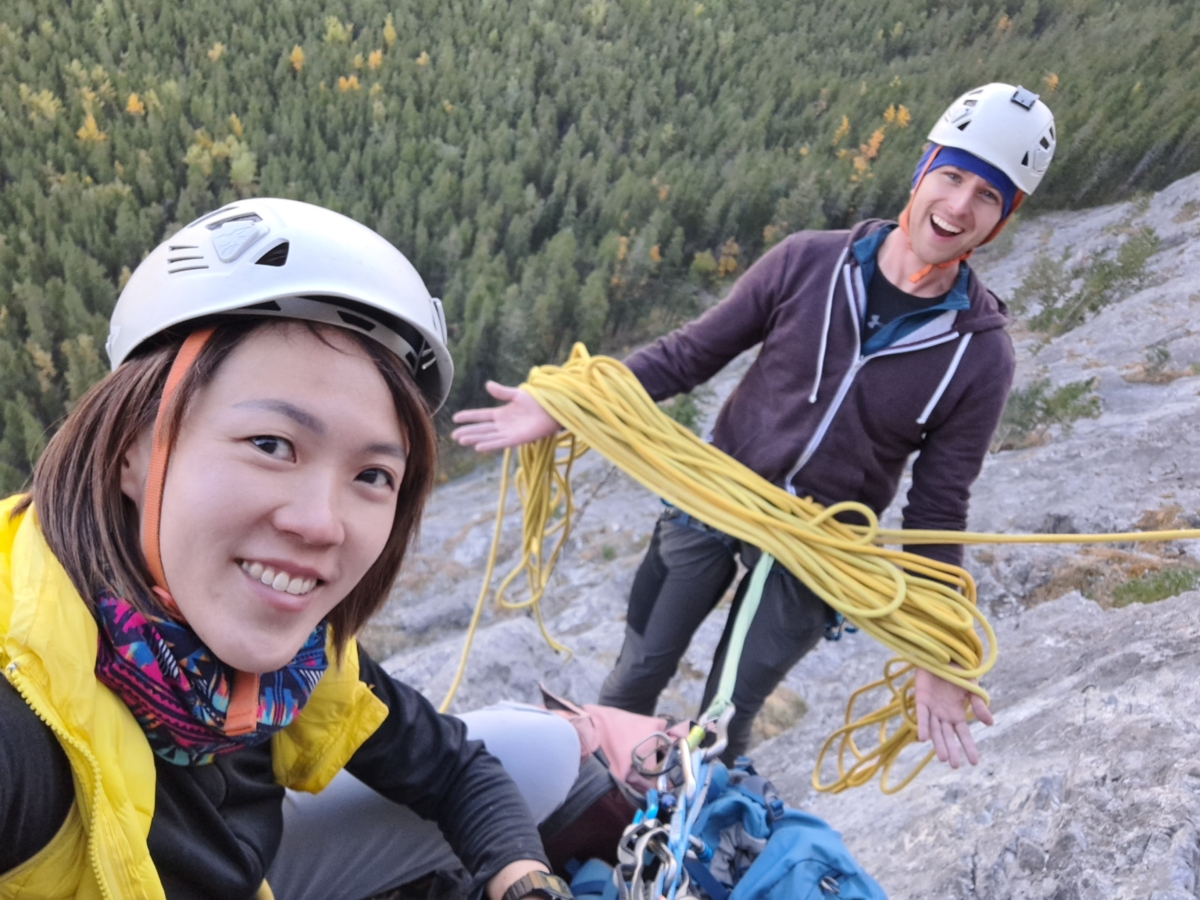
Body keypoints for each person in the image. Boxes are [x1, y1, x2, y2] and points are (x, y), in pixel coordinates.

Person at [451, 84, 1057, 767]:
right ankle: (587, 812)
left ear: (1003, 220)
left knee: (721, 727)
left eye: (986, 196)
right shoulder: (809, 261)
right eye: (952, 176)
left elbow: (938, 507)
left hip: (818, 549)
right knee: (634, 678)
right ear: (922, 171)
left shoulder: (978, 352)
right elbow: (690, 354)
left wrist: (938, 648)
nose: (958, 206)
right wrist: (567, 406)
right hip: (714, 494)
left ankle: (673, 847)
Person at [0, 199, 580, 900]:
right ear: (132, 449)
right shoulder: (24, 708)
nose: (322, 524)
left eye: (372, 475)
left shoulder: (294, 661)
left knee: (545, 753)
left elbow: (456, 770)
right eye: (272, 445)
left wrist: (526, 884)